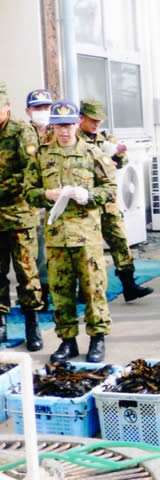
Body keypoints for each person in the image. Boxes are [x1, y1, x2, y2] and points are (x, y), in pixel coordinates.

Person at [24, 100, 116, 363]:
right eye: (59, 126)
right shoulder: (42, 155)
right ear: (52, 127)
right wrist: (46, 194)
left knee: (93, 289)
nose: (64, 131)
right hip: (56, 237)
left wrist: (89, 195)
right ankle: (67, 341)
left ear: (77, 124)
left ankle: (97, 339)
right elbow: (28, 192)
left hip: (86, 234)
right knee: (61, 291)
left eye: (69, 125)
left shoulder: (92, 153)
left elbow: (110, 188)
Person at [78, 99, 153, 302]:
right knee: (85, 247)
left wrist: (118, 155)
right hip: (84, 201)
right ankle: (84, 289)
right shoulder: (75, 140)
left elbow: (122, 163)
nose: (96, 125)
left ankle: (129, 285)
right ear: (81, 118)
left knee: (120, 241)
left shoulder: (105, 139)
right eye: (92, 120)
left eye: (99, 121)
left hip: (107, 201)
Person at [0, 81, 44, 351]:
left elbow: (29, 174)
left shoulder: (21, 131)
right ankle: (1, 322)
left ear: (7, 106)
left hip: (19, 216)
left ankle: (32, 324)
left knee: (27, 273)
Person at [25, 89, 54, 312]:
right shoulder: (21, 134)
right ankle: (40, 294)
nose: (42, 112)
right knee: (35, 251)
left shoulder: (61, 132)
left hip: (58, 202)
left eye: (46, 108)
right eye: (38, 108)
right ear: (28, 111)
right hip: (28, 204)